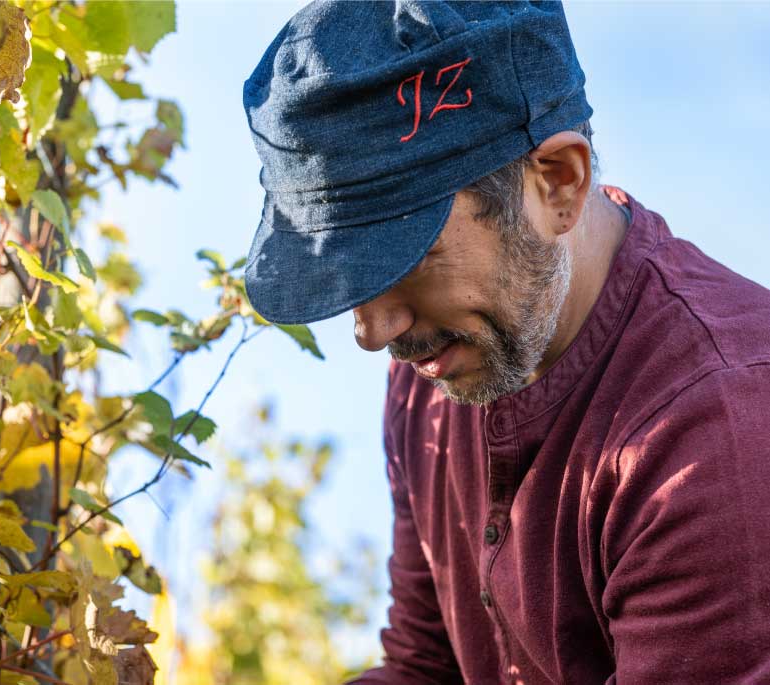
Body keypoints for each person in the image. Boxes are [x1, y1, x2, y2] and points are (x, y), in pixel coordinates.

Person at [241, 2, 770, 684]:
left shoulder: (715, 434)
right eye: (349, 276)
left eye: (400, 259)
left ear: (558, 183)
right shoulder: (442, 363)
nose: (373, 333)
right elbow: (425, 665)